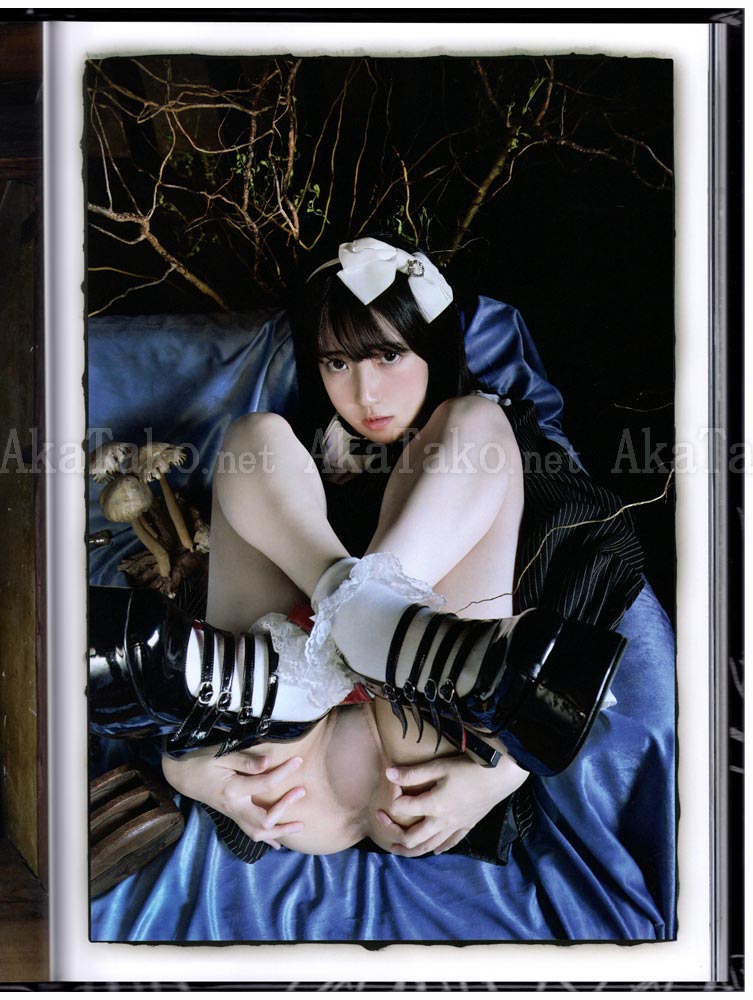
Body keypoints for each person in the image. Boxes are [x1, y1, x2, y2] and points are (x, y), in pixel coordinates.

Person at [89, 236, 641, 864]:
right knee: (253, 435)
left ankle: (347, 627)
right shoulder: (296, 463)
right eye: (337, 363)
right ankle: (359, 620)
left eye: (388, 355)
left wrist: (504, 776)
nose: (365, 394)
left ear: (433, 347)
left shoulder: (499, 442)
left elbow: (581, 607)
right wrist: (190, 772)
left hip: (437, 755)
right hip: (296, 769)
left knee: (475, 420)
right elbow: (210, 606)